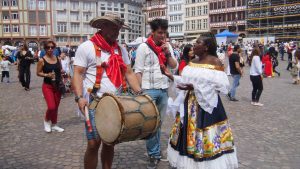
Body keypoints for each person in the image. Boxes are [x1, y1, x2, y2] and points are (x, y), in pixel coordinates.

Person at [72, 14, 142, 169]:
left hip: (116, 102)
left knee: (110, 142)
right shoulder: (87, 47)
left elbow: (129, 73)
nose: (116, 31)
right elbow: (77, 73)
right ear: (102, 26)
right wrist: (78, 98)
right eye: (112, 27)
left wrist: (140, 93)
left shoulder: (121, 50)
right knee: (93, 143)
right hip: (94, 101)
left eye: (118, 28)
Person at [161, 32, 238, 169]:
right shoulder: (193, 62)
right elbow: (185, 81)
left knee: (205, 137)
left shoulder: (215, 62)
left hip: (206, 107)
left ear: (206, 47)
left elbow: (222, 87)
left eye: (198, 43)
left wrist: (195, 87)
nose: (194, 45)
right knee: (184, 134)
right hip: (189, 105)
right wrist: (170, 76)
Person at [134, 18, 178, 169]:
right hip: (148, 90)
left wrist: (168, 53)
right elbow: (138, 71)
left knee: (158, 123)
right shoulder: (143, 48)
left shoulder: (167, 47)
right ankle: (153, 154)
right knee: (151, 123)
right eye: (160, 32)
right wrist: (140, 92)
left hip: (163, 89)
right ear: (152, 32)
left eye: (164, 33)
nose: (162, 36)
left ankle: (156, 152)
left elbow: (174, 66)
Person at [36, 39, 64, 133]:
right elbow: (38, 73)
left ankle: (55, 124)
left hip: (58, 85)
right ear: (45, 48)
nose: (50, 49)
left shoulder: (57, 58)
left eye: (52, 47)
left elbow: (60, 70)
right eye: (48, 47)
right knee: (51, 106)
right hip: (47, 86)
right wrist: (46, 75)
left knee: (56, 107)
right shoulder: (41, 60)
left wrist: (62, 72)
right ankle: (46, 121)